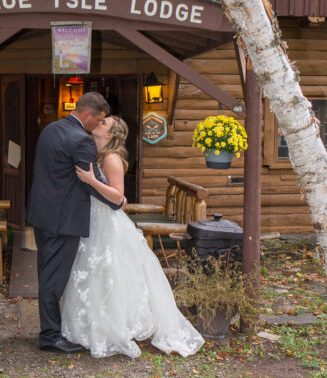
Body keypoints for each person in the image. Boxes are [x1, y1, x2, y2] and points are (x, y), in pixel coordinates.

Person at [61, 116, 205, 358]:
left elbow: (119, 199)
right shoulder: (96, 154)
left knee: (111, 273)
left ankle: (115, 326)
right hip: (94, 220)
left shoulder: (111, 158)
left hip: (108, 223)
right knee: (94, 273)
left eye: (104, 122)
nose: (99, 122)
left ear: (112, 134)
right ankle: (91, 324)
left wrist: (91, 180)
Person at [26, 92, 126, 354]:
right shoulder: (81, 140)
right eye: (100, 120)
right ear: (87, 115)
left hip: (41, 214)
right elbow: (90, 183)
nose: (98, 125)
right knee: (53, 279)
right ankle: (50, 336)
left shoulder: (51, 129)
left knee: (46, 273)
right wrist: (116, 201)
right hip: (63, 220)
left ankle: (52, 330)